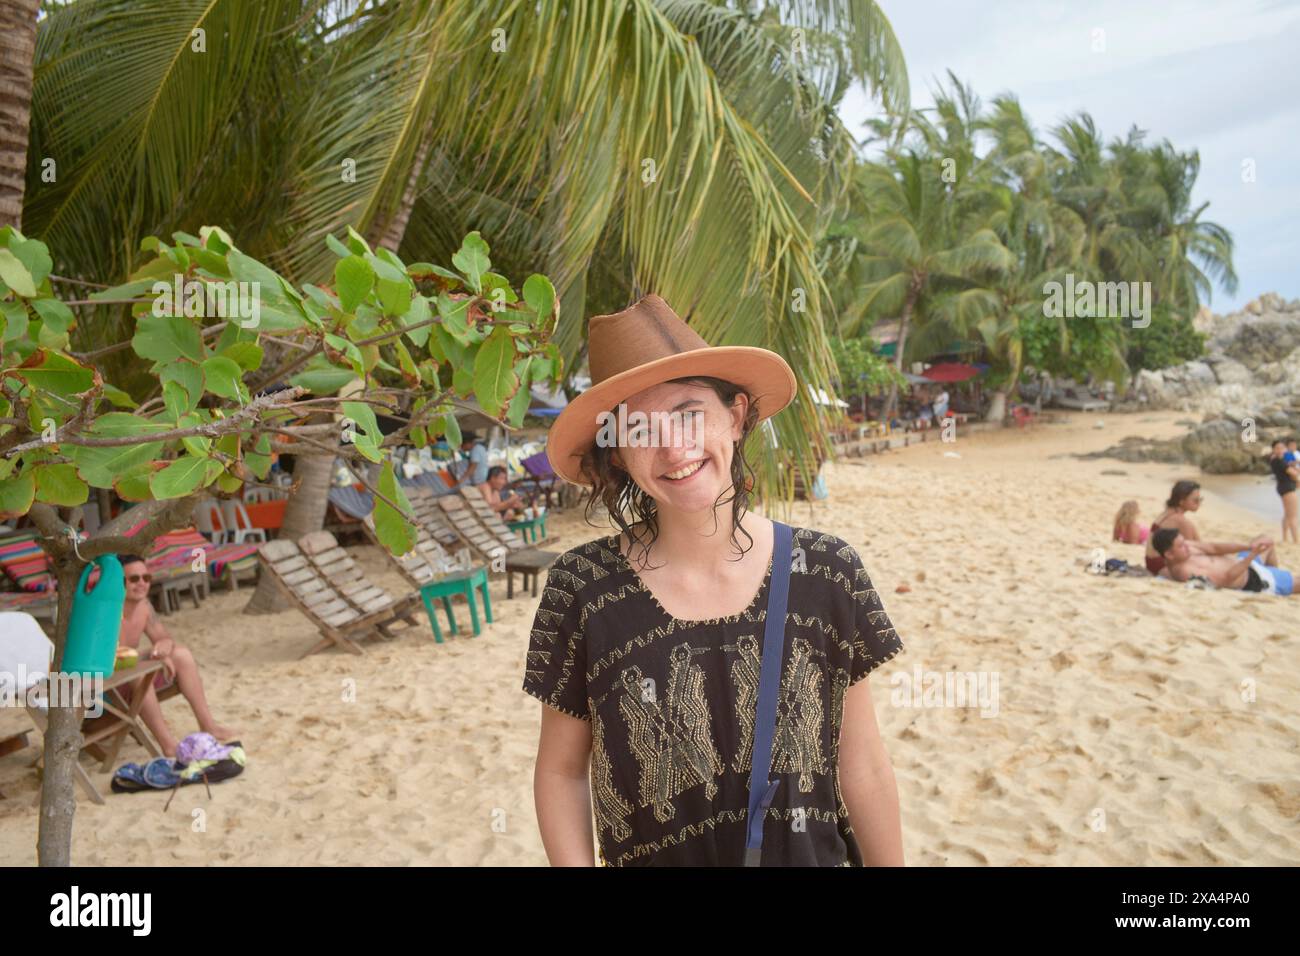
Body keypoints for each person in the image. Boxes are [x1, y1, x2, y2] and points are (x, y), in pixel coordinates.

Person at [522, 294, 905, 867]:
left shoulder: (826, 571)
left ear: (736, 413)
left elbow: (864, 764)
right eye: (639, 429)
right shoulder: (581, 589)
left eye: (687, 412)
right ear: (619, 455)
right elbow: (560, 771)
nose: (673, 447)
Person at [116, 555, 234, 757]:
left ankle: (208, 725)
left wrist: (163, 646)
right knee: (140, 672)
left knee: (181, 655)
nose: (142, 584)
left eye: (146, 578)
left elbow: (162, 636)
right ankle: (168, 745)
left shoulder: (143, 605)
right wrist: (155, 655)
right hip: (106, 685)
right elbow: (111, 656)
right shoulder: (108, 610)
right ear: (119, 582)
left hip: (129, 669)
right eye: (134, 579)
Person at [1152, 528, 1293, 595]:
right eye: (1181, 545)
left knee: (1266, 539)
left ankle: (1275, 574)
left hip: (1244, 562)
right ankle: (1277, 583)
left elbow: (1215, 547)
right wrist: (1252, 555)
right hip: (1253, 579)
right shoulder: (1185, 572)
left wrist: (1249, 547)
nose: (1187, 545)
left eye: (1184, 542)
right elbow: (1228, 578)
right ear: (1169, 555)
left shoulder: (1187, 549)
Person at [1269, 439, 1299, 543]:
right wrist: (1296, 478)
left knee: (1287, 514)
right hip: (1287, 488)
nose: (1280, 450)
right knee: (1293, 516)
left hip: (1282, 487)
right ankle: (1296, 540)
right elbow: (1294, 474)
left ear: (1285, 448)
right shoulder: (1280, 461)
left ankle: (1285, 538)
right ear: (1273, 449)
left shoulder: (1274, 460)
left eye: (1282, 447)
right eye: (1277, 448)